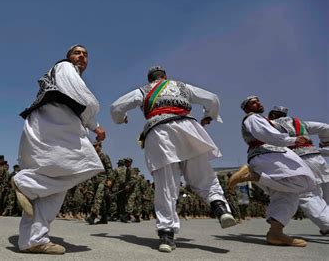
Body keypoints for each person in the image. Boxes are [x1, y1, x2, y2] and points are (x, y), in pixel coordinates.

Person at [110, 66, 236, 253]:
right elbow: (212, 98)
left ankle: (166, 234)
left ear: (150, 79)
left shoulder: (143, 91)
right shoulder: (181, 86)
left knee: (166, 185)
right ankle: (220, 207)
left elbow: (116, 107)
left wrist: (121, 119)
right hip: (188, 128)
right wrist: (209, 115)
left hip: (160, 132)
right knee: (203, 176)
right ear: (165, 77)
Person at [12, 44, 106, 254]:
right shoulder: (64, 67)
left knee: (53, 188)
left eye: (85, 54)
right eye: (77, 53)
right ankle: (25, 182)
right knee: (83, 166)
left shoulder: (67, 73)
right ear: (68, 57)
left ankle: (33, 240)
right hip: (55, 123)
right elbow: (84, 99)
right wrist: (95, 125)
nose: (81, 56)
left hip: (53, 125)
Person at [229, 96, 317, 247]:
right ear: (246, 108)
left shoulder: (260, 118)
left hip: (269, 155)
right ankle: (252, 175)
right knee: (302, 180)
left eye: (258, 101)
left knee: (288, 195)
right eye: (253, 102)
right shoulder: (253, 118)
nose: (258, 103)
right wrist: (293, 140)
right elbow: (268, 135)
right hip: (268, 155)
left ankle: (275, 233)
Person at [267, 106, 329, 235]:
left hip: (299, 161)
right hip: (317, 158)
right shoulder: (301, 124)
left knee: (308, 194)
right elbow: (325, 127)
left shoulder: (270, 125)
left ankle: (327, 224)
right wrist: (325, 143)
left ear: (272, 115)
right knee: (326, 193)